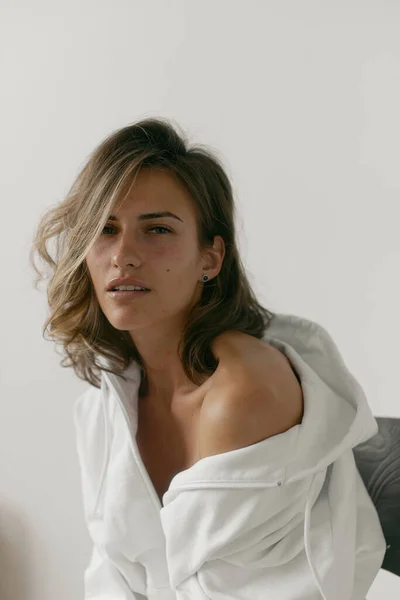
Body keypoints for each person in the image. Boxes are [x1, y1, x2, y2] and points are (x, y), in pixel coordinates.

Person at [30, 117, 387, 599]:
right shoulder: (105, 406)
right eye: (105, 229)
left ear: (210, 258)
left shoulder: (243, 391)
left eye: (156, 229)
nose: (124, 255)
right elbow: (109, 582)